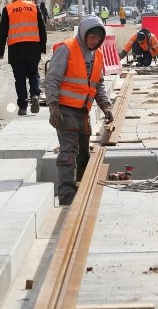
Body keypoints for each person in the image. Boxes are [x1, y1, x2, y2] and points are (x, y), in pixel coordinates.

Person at [44, 15, 114, 206]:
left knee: (84, 153)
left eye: (98, 38)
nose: (94, 41)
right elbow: (52, 80)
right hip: (65, 110)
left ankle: (82, 188)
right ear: (83, 34)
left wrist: (105, 106)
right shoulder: (67, 49)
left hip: (83, 112)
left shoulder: (98, 55)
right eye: (91, 37)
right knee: (68, 152)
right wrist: (53, 106)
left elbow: (97, 84)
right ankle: (66, 195)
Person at [0, 0, 47, 116]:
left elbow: (3, 33)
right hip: (33, 47)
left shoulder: (8, 9)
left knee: (20, 78)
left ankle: (23, 106)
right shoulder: (34, 7)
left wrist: (0, 52)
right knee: (33, 73)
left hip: (16, 48)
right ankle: (35, 94)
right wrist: (42, 47)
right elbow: (42, 29)